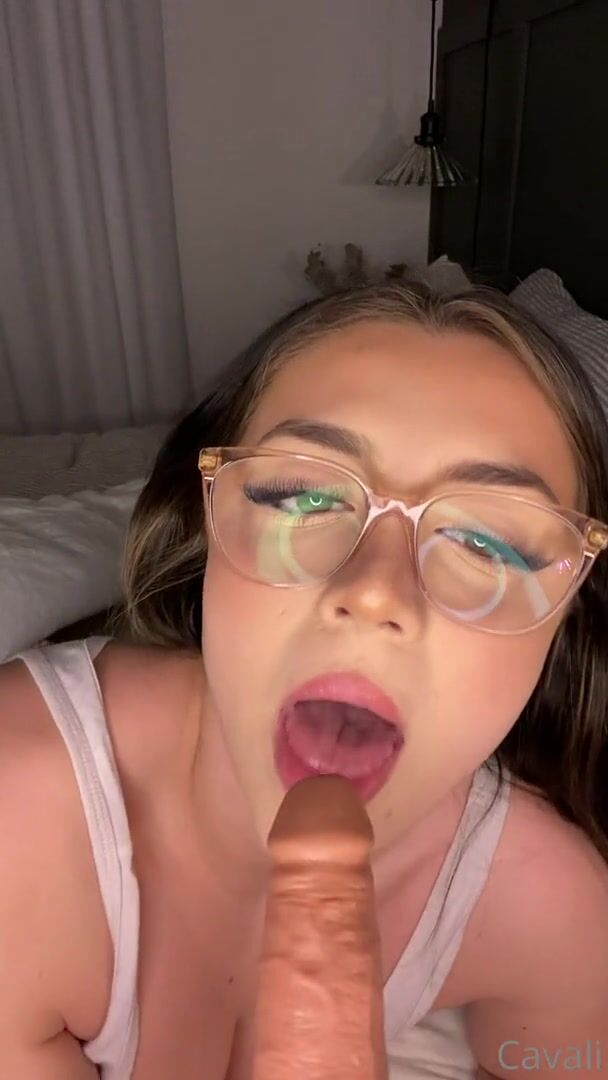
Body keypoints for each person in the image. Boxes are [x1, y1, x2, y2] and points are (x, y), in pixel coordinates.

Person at [1, 282, 608, 1080]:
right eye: (302, 496)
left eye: (490, 544)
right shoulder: (18, 819)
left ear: (563, 615)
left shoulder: (553, 913)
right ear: (207, 519)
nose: (376, 591)